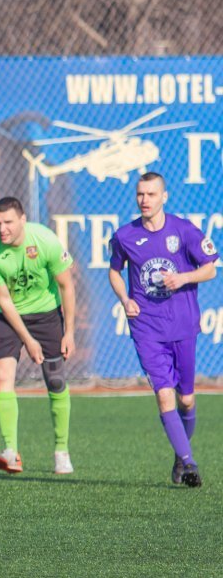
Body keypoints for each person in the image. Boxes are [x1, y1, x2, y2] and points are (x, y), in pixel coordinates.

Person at [108, 172, 218, 488]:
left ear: (164, 197)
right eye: (140, 194)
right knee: (164, 393)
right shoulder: (125, 236)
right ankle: (189, 461)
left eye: (151, 194)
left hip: (183, 324)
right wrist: (125, 299)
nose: (145, 200)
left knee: (187, 399)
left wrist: (183, 278)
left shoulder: (184, 230)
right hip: (147, 327)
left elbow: (210, 268)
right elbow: (114, 271)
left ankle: (179, 455)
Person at [0, 197, 77, 475]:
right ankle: (10, 452)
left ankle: (61, 451)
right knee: (2, 375)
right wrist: (29, 340)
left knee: (55, 380)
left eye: (8, 222)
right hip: (7, 316)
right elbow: (4, 300)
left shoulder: (45, 240)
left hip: (47, 314)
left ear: (23, 220)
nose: (2, 229)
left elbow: (66, 286)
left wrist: (69, 332)